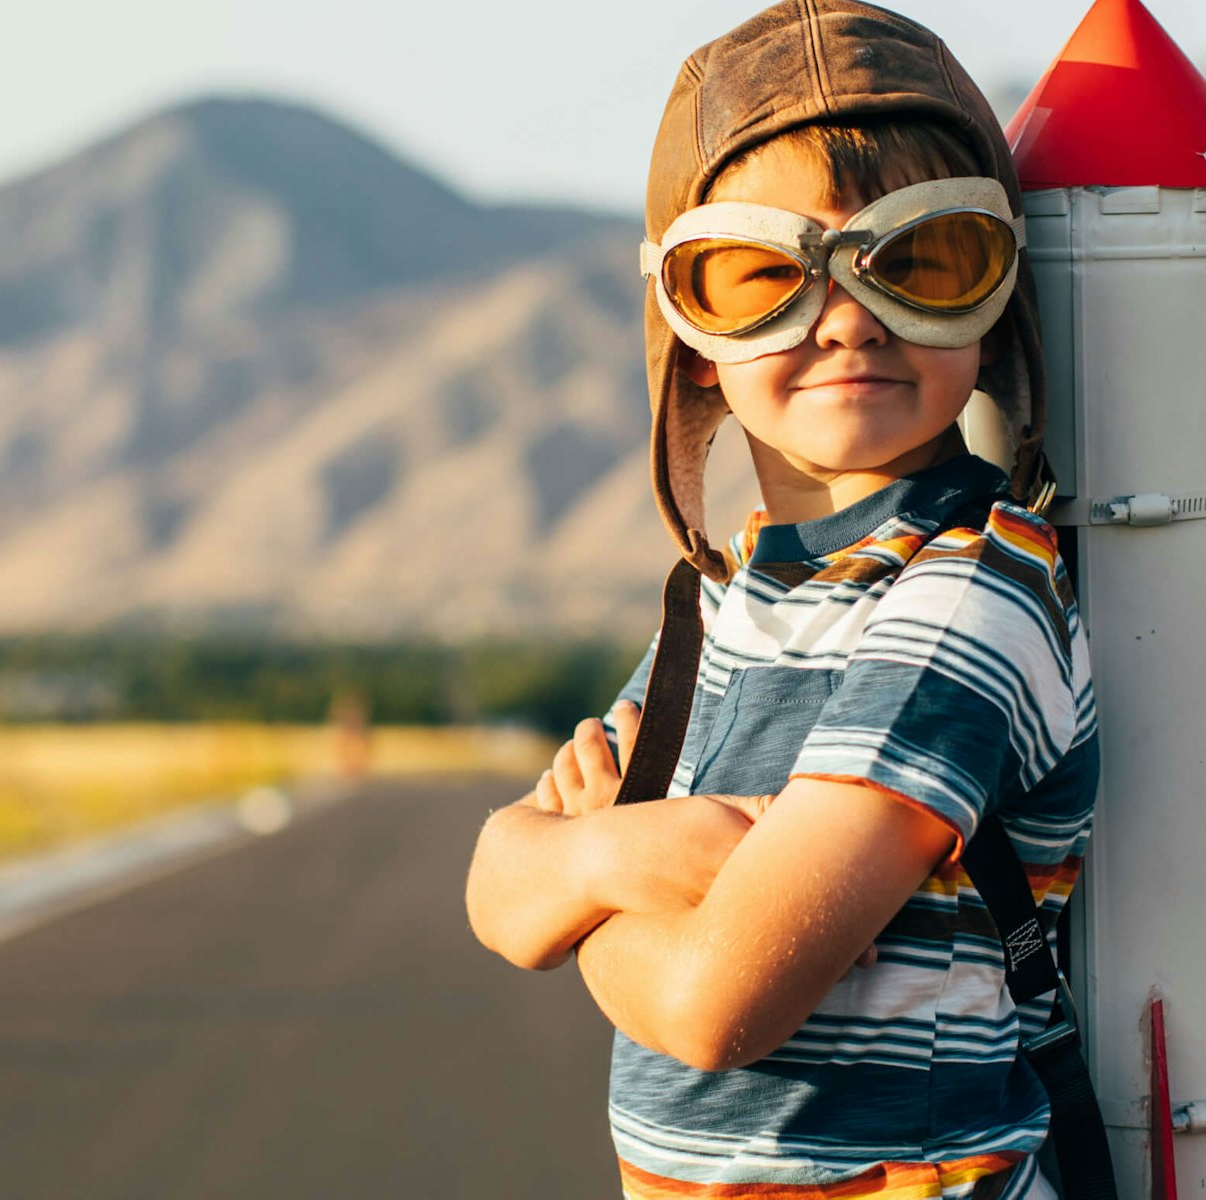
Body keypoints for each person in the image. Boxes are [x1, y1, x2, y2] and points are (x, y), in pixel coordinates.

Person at [463, 3, 1097, 1197]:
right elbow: (497, 882)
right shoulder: (721, 609)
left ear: (996, 300)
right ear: (692, 333)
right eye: (762, 274)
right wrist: (631, 854)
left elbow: (715, 1005)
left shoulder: (970, 596)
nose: (851, 317)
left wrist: (590, 885)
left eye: (923, 259)